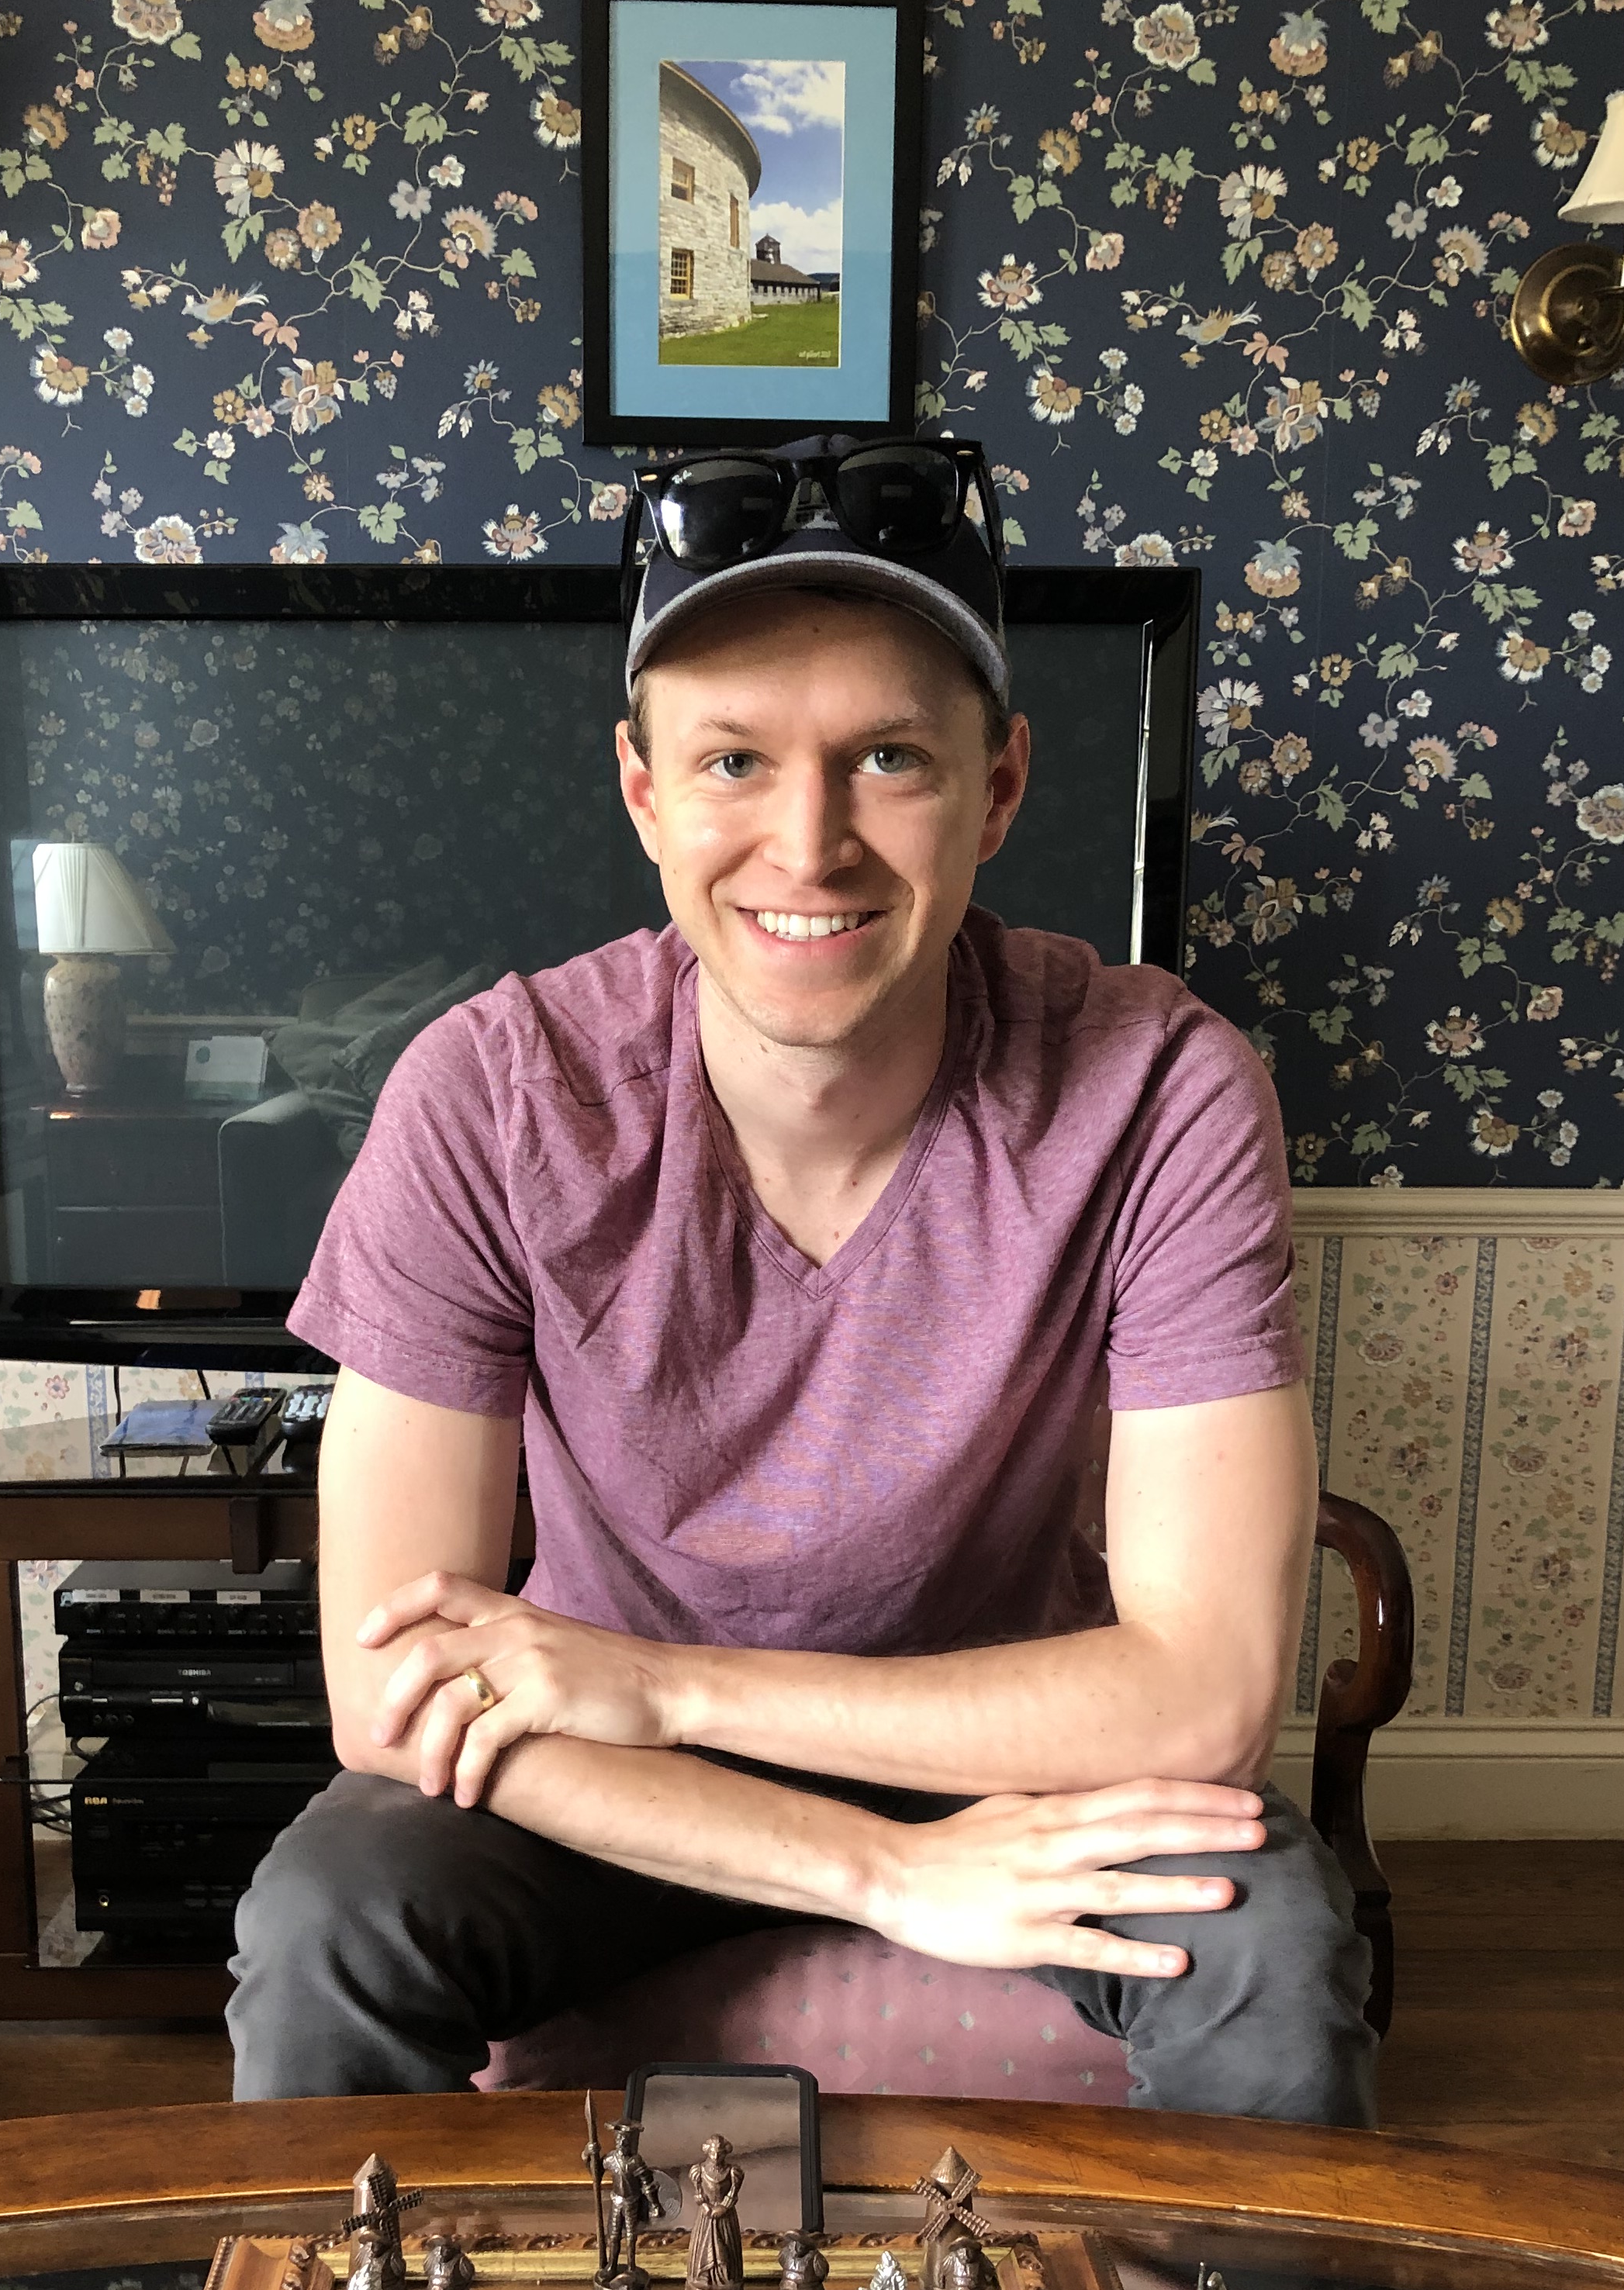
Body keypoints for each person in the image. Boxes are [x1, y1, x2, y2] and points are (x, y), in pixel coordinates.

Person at [228, 430, 1372, 2125]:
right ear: (645, 793)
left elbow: (1202, 1694)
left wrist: (669, 1684)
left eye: (889, 758)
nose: (810, 843)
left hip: (1001, 1751)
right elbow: (395, 1696)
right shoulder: (487, 1092)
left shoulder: (1161, 1085)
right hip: (598, 1785)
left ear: (998, 789)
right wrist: (878, 1873)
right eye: (735, 761)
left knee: (1264, 1939)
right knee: (330, 1918)